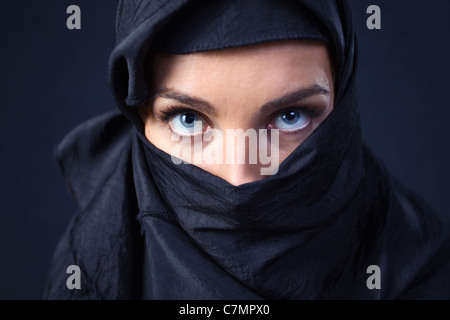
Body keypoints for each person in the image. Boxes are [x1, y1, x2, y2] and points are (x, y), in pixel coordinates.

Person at [43, 0, 450, 299]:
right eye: (188, 119)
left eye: (291, 116)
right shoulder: (89, 274)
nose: (239, 180)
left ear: (342, 110)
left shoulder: (422, 272)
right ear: (141, 118)